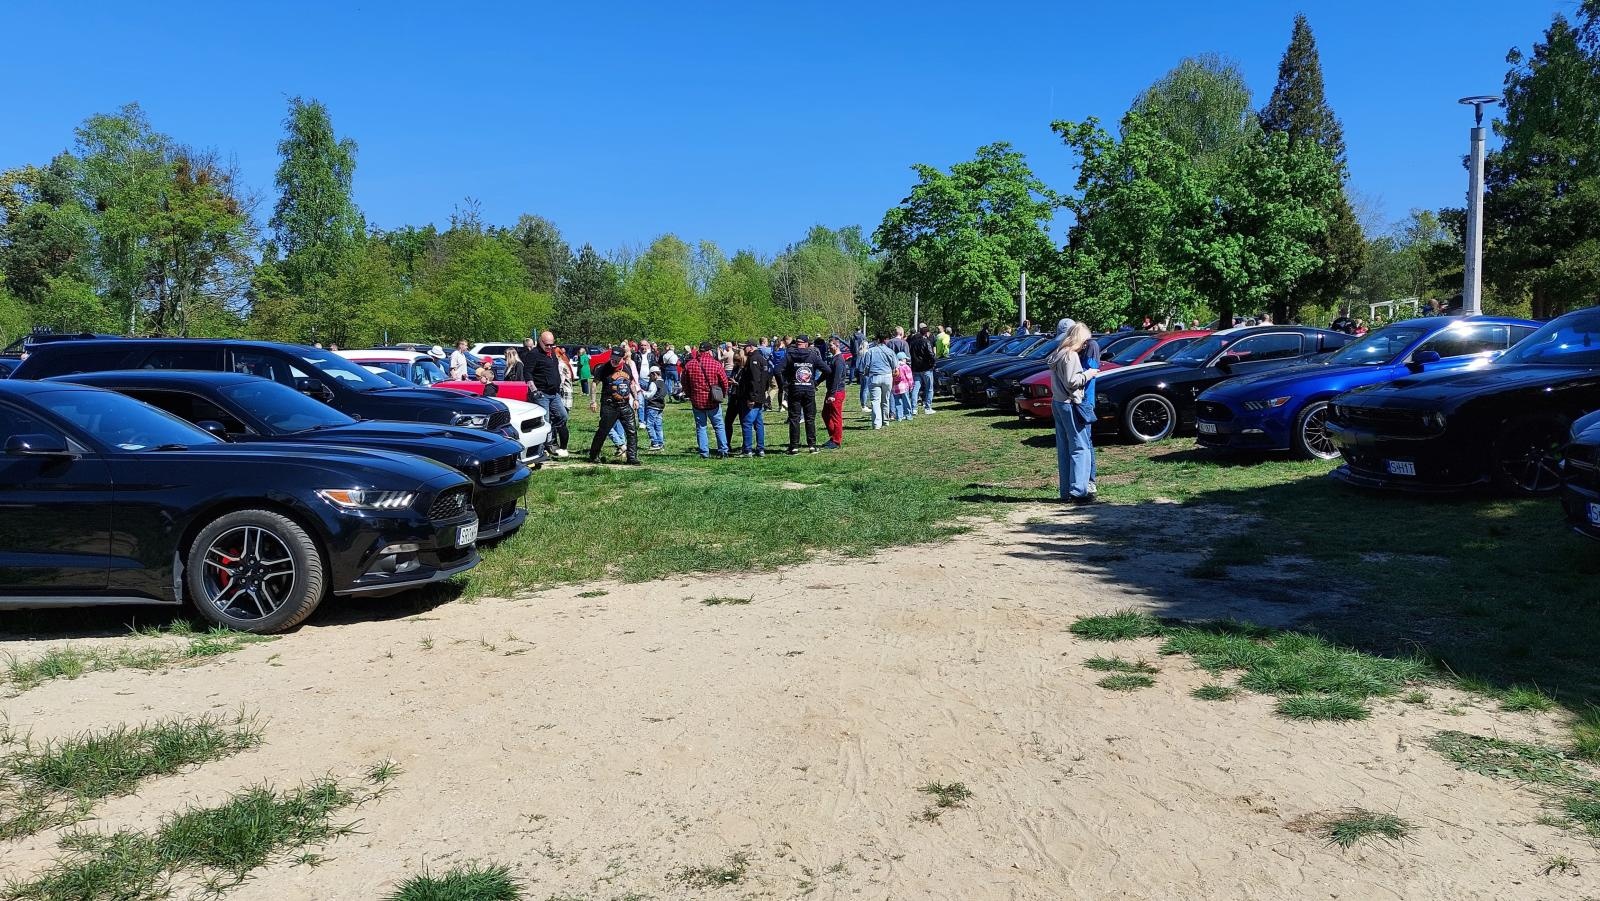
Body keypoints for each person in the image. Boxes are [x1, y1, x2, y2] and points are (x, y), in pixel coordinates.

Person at [1048, 320, 1098, 503]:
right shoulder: (1070, 355)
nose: (1086, 345)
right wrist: (1089, 373)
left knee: (1064, 448)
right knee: (1081, 448)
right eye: (1085, 341)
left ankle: (1065, 492)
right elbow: (1072, 381)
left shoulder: (1058, 353)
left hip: (1058, 402)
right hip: (1070, 404)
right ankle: (1079, 491)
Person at [587, 345, 640, 465]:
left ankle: (632, 457)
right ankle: (594, 455)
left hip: (625, 405)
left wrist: (636, 399)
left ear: (623, 357)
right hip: (609, 406)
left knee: (631, 431)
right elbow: (594, 383)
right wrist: (593, 401)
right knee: (603, 431)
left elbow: (631, 383)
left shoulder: (626, 367)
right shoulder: (604, 368)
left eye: (617, 358)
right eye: (613, 358)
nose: (614, 361)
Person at [682, 340, 730, 459]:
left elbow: (684, 382)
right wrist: (722, 394)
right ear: (709, 351)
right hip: (712, 400)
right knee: (718, 425)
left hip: (697, 400)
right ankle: (723, 450)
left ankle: (704, 452)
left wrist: (690, 394)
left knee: (701, 427)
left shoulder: (690, 365)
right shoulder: (716, 364)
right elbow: (724, 382)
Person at [782, 335, 829, 454]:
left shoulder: (790, 355)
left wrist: (784, 384)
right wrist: (816, 382)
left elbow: (777, 370)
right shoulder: (813, 356)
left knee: (794, 418)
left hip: (795, 389)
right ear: (807, 344)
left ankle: (794, 447)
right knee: (809, 418)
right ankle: (812, 446)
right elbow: (827, 370)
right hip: (808, 390)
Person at [526, 331, 570, 458]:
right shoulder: (533, 354)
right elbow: (527, 373)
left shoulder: (553, 354)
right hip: (542, 393)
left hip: (554, 393)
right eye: (547, 345)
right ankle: (541, 450)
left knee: (563, 416)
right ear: (540, 341)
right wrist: (534, 390)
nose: (550, 347)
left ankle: (556, 443)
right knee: (544, 422)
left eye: (552, 344)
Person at [738, 340, 775, 456]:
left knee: (747, 423)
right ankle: (760, 448)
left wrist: (752, 398)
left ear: (750, 347)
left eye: (745, 347)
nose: (744, 349)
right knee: (759, 423)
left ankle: (748, 449)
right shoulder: (763, 359)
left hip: (753, 397)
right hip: (760, 395)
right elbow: (767, 379)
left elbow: (755, 380)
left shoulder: (753, 360)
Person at [860, 335, 896, 430]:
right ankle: (885, 421)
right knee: (885, 400)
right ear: (885, 340)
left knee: (875, 401)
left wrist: (867, 373)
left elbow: (866, 366)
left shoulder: (870, 351)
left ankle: (876, 423)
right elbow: (895, 366)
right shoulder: (890, 351)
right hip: (887, 376)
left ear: (877, 340)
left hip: (874, 376)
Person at [821, 336, 848, 449]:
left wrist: (832, 395)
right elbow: (827, 373)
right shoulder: (833, 359)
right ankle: (833, 436)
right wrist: (816, 382)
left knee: (836, 416)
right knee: (825, 414)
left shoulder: (839, 360)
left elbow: (836, 379)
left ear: (837, 345)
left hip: (836, 392)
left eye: (831, 345)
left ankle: (836, 440)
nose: (829, 348)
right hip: (831, 391)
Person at [725, 349, 750, 453]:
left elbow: (747, 385)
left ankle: (746, 446)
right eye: (735, 361)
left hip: (742, 398)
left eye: (738, 361)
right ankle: (727, 444)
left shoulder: (746, 370)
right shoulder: (735, 369)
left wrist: (737, 383)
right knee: (728, 422)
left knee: (744, 422)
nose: (736, 363)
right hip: (733, 397)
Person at [908, 324, 937, 415]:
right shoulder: (926, 342)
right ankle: (928, 407)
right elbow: (931, 354)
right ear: (927, 333)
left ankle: (914, 408)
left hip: (916, 368)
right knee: (929, 388)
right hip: (926, 368)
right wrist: (932, 364)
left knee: (915, 388)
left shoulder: (913, 343)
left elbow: (911, 355)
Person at [641, 365, 666, 451]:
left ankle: (655, 443)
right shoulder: (663, 383)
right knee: (658, 425)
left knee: (649, 425)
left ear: (654, 374)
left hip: (653, 406)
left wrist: (642, 392)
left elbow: (649, 395)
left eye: (650, 376)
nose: (650, 378)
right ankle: (660, 443)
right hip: (660, 407)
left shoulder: (653, 384)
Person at [892, 351, 913, 421]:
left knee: (897, 402)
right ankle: (908, 415)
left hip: (895, 388)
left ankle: (899, 416)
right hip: (904, 387)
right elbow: (909, 377)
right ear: (903, 359)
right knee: (906, 401)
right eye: (905, 359)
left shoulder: (894, 367)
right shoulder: (905, 366)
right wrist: (911, 386)